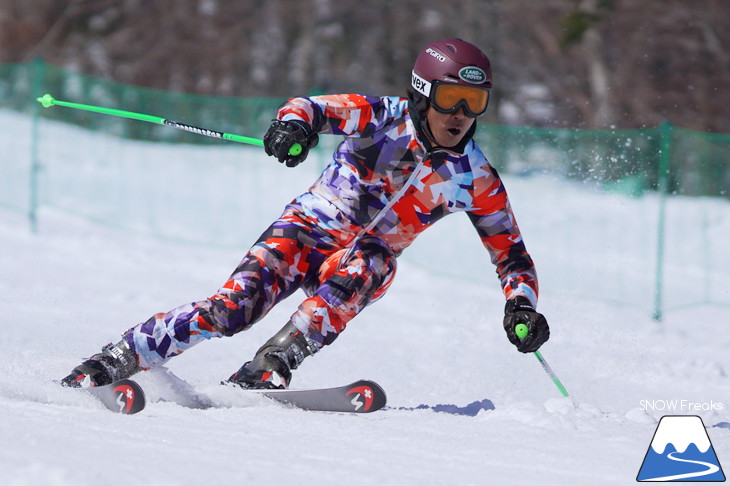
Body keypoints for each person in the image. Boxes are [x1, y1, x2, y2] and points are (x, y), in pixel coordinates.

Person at [61, 38, 550, 390]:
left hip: (358, 260)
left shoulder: (474, 176)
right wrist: (291, 128)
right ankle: (123, 355)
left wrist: (521, 306)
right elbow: (310, 107)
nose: (461, 113)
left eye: (475, 102)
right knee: (233, 310)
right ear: (422, 95)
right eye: (449, 98)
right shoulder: (382, 116)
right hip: (306, 231)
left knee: (373, 263)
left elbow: (512, 256)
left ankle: (275, 360)